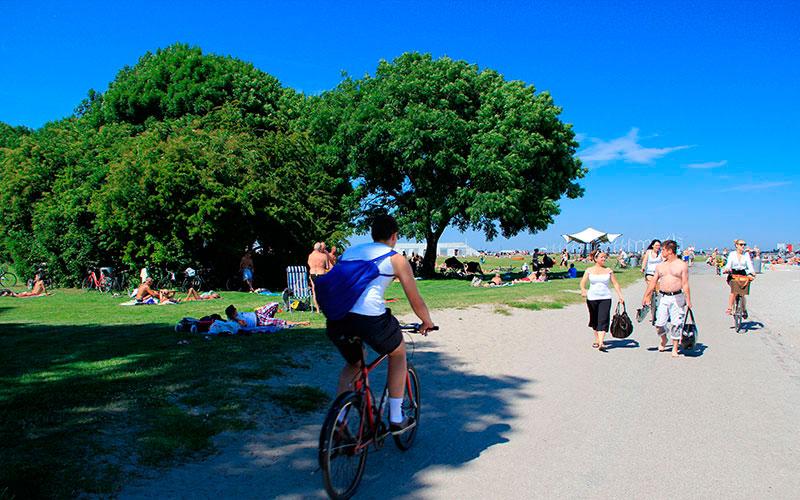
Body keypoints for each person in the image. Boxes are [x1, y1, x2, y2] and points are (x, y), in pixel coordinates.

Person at [326, 214, 434, 434]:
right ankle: (396, 417)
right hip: (370, 318)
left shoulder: (350, 252)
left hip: (337, 318)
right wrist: (426, 321)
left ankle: (339, 421)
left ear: (372, 234)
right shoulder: (396, 259)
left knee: (354, 363)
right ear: (394, 236)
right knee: (398, 353)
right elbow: (415, 299)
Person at [642, 240, 692, 357]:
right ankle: (664, 339)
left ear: (669, 251)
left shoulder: (681, 265)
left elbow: (685, 284)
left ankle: (675, 347)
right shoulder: (660, 266)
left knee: (676, 323)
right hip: (664, 297)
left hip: (677, 297)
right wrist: (646, 295)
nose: (661, 251)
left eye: (663, 249)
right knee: (659, 323)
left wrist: (688, 300)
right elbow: (653, 282)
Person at [580, 251, 625, 351]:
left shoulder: (608, 270)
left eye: (604, 257)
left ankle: (601, 342)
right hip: (592, 298)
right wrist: (583, 290)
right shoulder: (589, 270)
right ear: (595, 259)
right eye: (601, 257)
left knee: (603, 318)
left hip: (605, 297)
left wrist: (620, 296)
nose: (604, 259)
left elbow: (616, 284)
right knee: (594, 319)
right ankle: (597, 339)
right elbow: (582, 283)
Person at [723, 239, 756, 316]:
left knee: (742, 293)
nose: (743, 246)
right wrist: (727, 269)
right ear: (736, 245)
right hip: (733, 273)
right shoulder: (732, 254)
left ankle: (744, 309)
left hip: (742, 273)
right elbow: (729, 263)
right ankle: (730, 308)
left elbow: (750, 265)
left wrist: (753, 272)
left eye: (744, 244)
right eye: (741, 244)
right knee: (734, 291)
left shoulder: (746, 255)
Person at [225, 303, 310, 329]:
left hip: (258, 313)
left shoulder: (234, 315)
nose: (237, 310)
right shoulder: (234, 321)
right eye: (235, 310)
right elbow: (244, 325)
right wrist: (236, 319)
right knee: (281, 322)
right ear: (233, 313)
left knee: (275, 304)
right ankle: (300, 323)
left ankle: (271, 317)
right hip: (260, 321)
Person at [308, 242, 330, 313]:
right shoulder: (324, 256)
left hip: (313, 274)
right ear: (320, 248)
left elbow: (309, 264)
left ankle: (317, 310)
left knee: (314, 291)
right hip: (321, 274)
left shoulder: (310, 256)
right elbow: (327, 267)